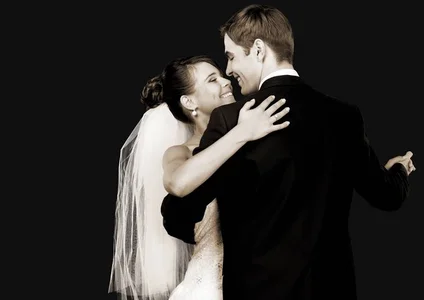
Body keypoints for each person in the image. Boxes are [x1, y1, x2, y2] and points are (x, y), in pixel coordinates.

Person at [160, 4, 415, 300]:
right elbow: (386, 195)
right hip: (331, 290)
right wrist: (399, 171)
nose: (228, 70)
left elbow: (180, 210)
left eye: (231, 57)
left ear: (258, 50)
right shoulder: (344, 116)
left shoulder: (232, 119)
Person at [108, 55, 290, 300]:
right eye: (212, 80)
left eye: (222, 76)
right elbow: (177, 183)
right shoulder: (180, 152)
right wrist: (243, 132)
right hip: (210, 287)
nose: (226, 81)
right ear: (189, 102)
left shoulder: (256, 129)